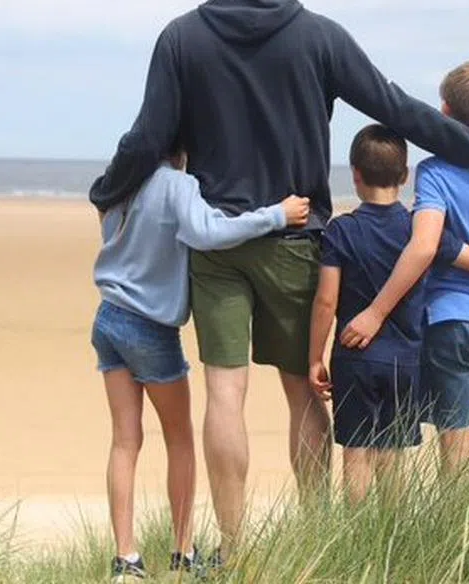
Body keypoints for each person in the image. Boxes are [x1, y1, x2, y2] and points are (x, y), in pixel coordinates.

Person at [88, 0, 469, 563]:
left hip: (219, 247)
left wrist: (107, 191)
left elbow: (148, 138)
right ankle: (321, 543)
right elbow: (397, 108)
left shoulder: (182, 37)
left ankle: (233, 554)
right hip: (299, 241)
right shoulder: (318, 37)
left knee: (226, 394)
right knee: (302, 390)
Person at [90, 141, 310, 581]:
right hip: (150, 327)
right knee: (180, 440)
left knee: (124, 441)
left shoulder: (120, 185)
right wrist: (276, 216)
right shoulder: (177, 184)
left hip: (108, 318)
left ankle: (126, 559)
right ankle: (182, 551)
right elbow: (207, 232)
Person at [308, 124, 469, 502]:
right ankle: (391, 537)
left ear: (355, 173)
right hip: (406, 359)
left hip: (354, 357)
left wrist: (314, 356)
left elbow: (326, 301)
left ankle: (355, 537)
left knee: (357, 453)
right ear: (404, 177)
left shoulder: (341, 230)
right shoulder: (422, 233)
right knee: (393, 454)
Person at [341, 61, 469, 479]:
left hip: (450, 318)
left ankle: (452, 534)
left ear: (442, 114)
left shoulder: (434, 172)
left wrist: (375, 312)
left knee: (454, 438)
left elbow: (425, 245)